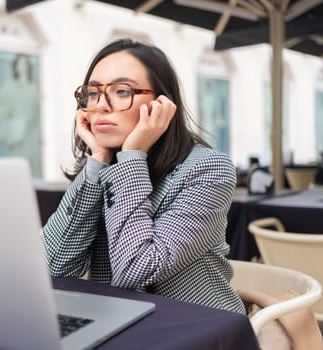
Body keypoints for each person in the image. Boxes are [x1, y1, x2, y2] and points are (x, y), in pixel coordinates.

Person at [42, 38, 245, 314]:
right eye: (93, 93)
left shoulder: (209, 169)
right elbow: (52, 266)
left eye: (122, 91)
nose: (101, 105)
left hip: (195, 328)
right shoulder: (101, 166)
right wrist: (97, 161)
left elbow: (136, 269)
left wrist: (132, 155)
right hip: (116, 323)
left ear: (162, 104)